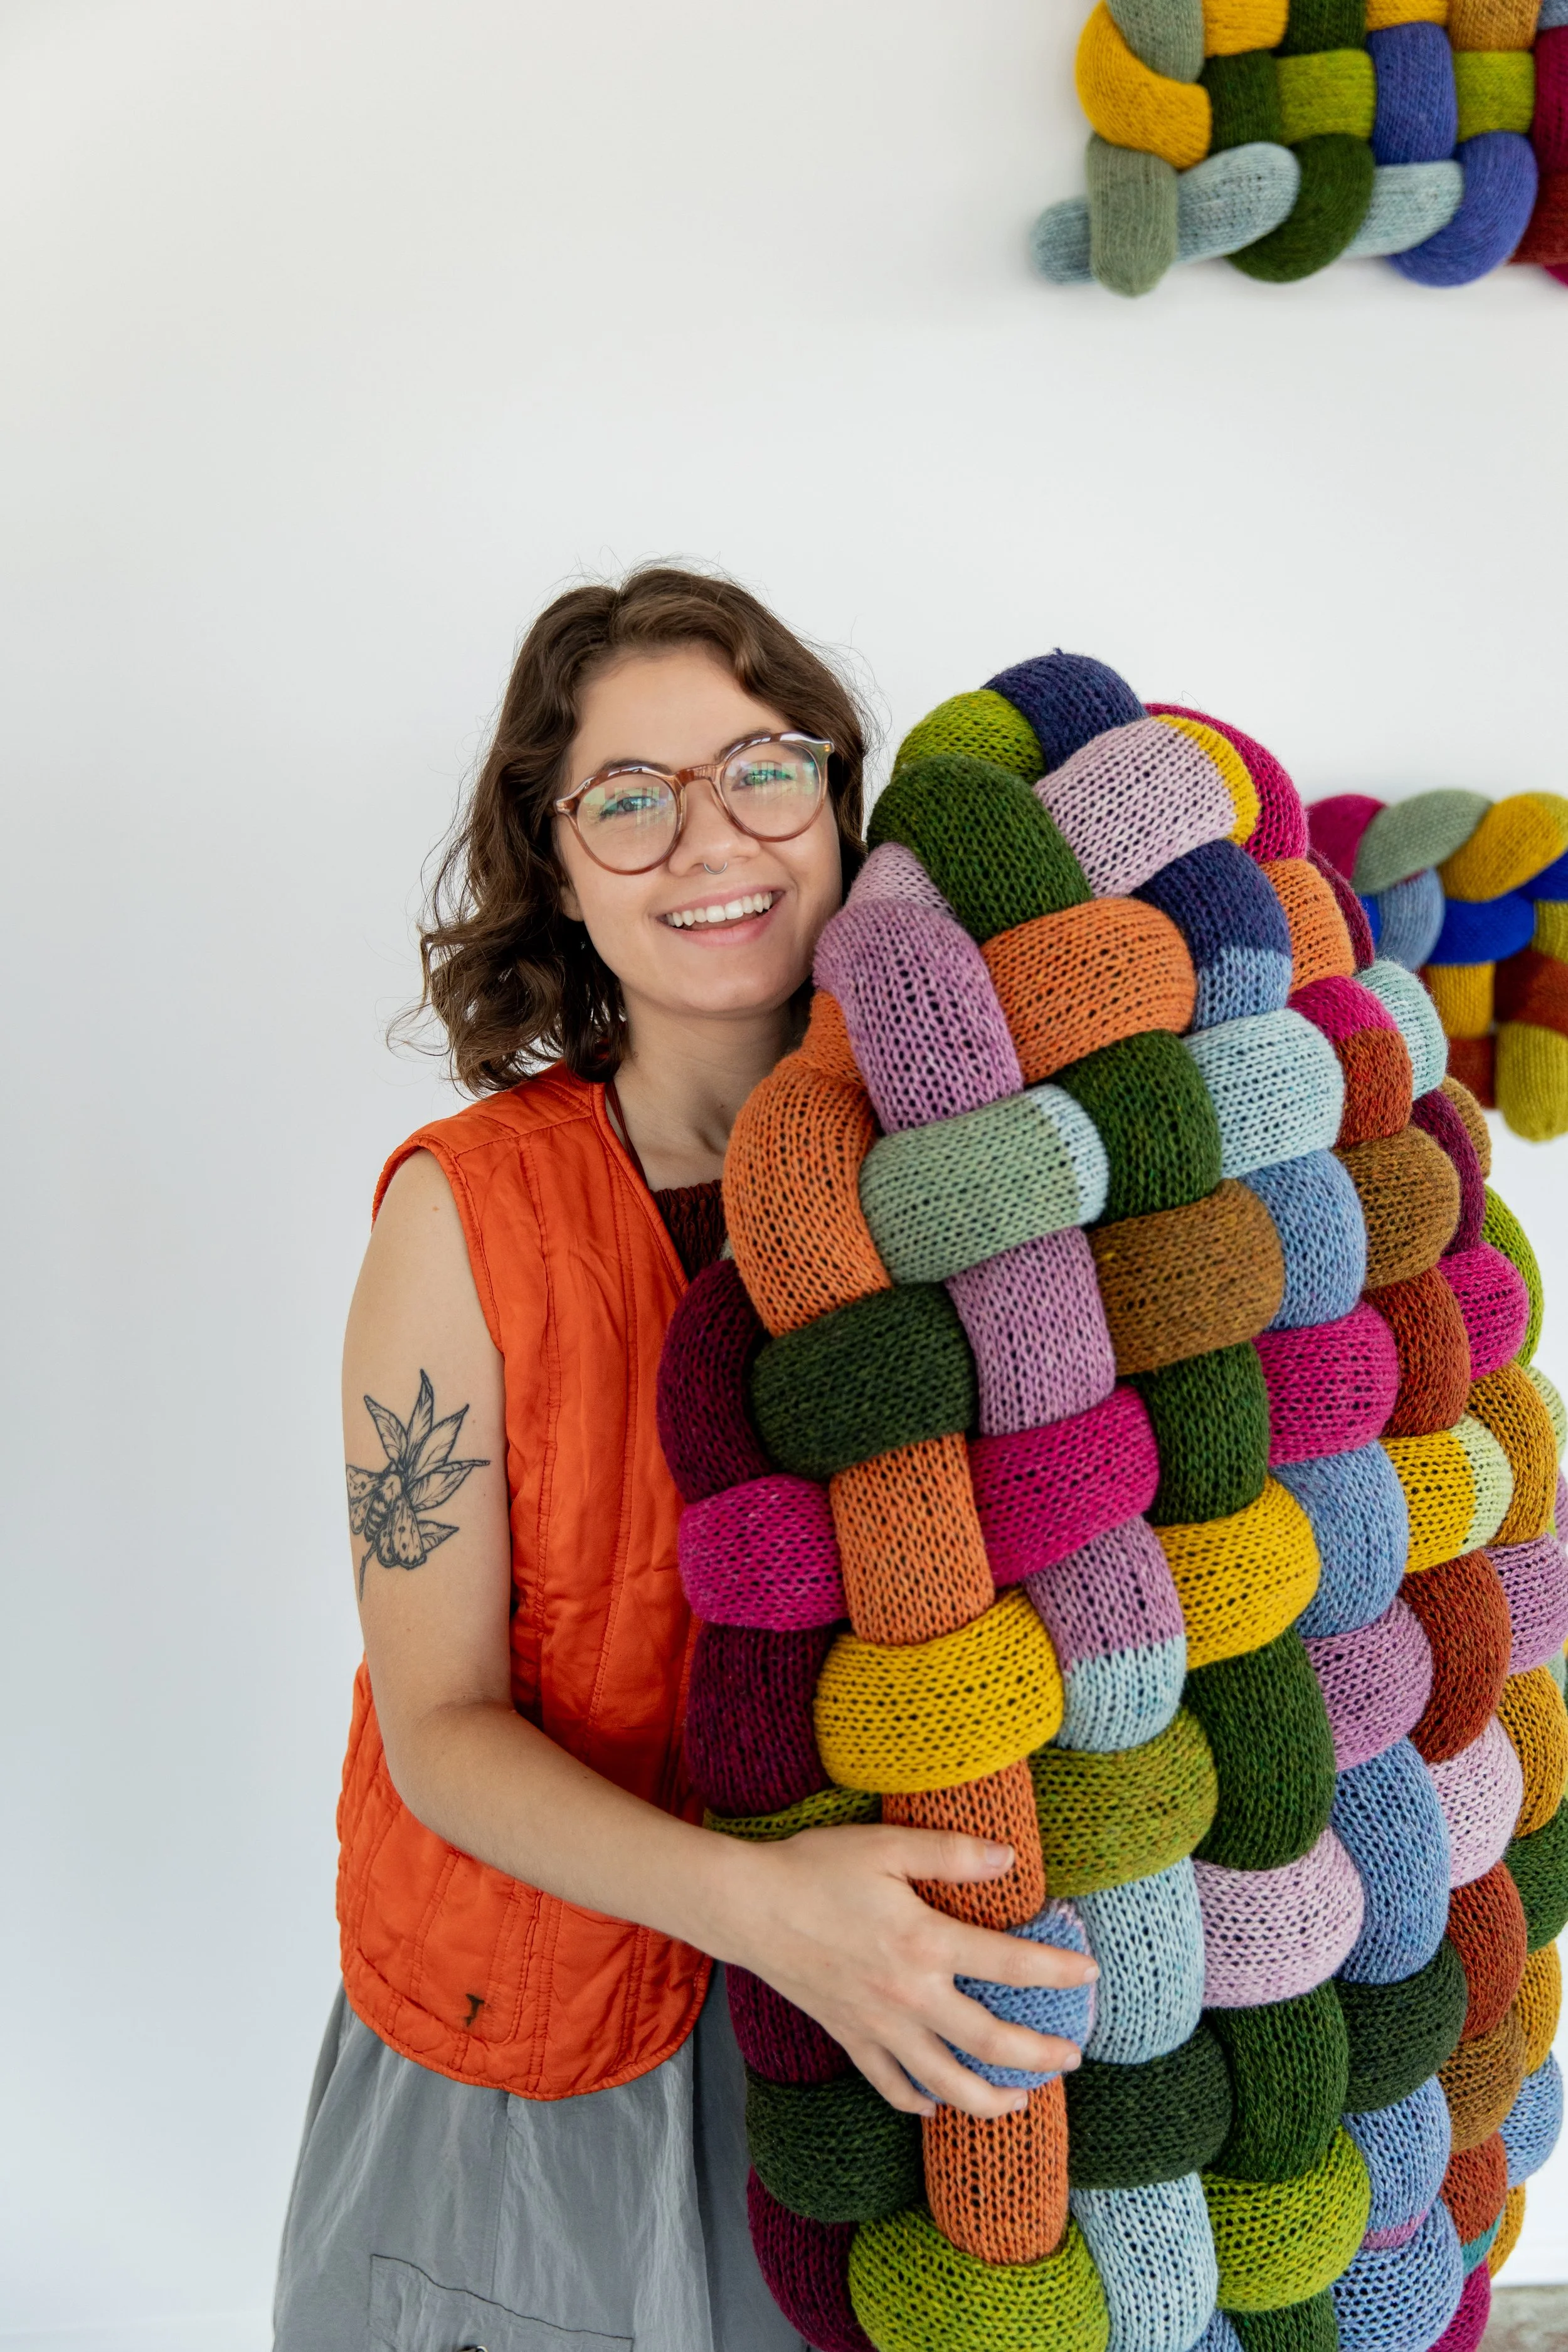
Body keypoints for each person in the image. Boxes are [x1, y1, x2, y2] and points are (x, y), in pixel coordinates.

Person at [273, 566, 1096, 2351]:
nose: (707, 837)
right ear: (551, 861)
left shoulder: (989, 1178)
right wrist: (768, 1913)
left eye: (760, 767)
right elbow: (438, 1734)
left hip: (913, 2032)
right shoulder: (465, 1219)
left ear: (837, 794)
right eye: (627, 798)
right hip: (549, 2031)